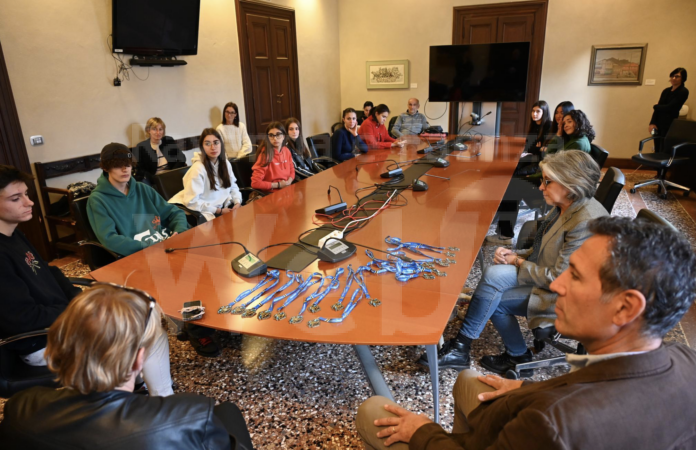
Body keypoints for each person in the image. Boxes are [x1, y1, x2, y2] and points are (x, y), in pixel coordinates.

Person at [357, 216, 696, 450]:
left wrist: (424, 432)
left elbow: (563, 415)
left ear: (625, 308)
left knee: (373, 410)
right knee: (468, 380)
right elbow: (597, 383)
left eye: (575, 276)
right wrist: (528, 388)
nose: (558, 285)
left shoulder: (551, 425)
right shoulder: (686, 359)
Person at [0, 284, 254, 449]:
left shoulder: (20, 408)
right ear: (137, 360)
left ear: (59, 347)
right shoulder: (194, 416)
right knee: (228, 412)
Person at [422, 151, 608, 374]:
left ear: (570, 184)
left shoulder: (585, 222)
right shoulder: (567, 204)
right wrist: (513, 254)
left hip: (571, 297)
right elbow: (542, 247)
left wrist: (517, 261)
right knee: (493, 281)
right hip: (554, 278)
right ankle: (470, 349)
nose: (541, 187)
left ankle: (491, 352)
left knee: (494, 296)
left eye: (547, 181)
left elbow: (558, 278)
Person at [0, 165, 174, 395]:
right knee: (148, 329)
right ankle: (163, 400)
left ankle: (135, 384)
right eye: (16, 198)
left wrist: (78, 300)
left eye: (25, 194)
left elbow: (51, 272)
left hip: (63, 321)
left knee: (144, 306)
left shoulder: (14, 234)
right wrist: (79, 311)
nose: (29, 202)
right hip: (43, 340)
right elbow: (23, 319)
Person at [87, 143, 189, 257]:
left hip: (168, 245)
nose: (125, 169)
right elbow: (109, 239)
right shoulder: (98, 200)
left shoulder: (142, 188)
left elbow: (174, 212)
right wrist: (150, 247)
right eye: (117, 165)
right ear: (105, 168)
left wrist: (179, 232)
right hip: (140, 255)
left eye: (128, 164)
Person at [169, 128, 242, 222]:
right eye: (207, 144)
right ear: (202, 147)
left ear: (221, 144)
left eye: (216, 142)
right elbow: (192, 201)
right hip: (196, 211)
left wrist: (237, 202)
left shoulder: (225, 163)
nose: (213, 147)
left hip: (219, 208)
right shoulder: (197, 169)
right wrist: (219, 211)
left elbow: (233, 186)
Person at [134, 117, 186, 184]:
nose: (158, 132)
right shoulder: (141, 146)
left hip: (171, 175)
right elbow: (141, 169)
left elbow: (182, 157)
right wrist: (154, 179)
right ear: (148, 130)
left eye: (160, 129)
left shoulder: (168, 141)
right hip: (155, 179)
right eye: (154, 129)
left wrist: (172, 172)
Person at [650, 67, 689, 152]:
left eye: (677, 76)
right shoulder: (666, 91)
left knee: (665, 148)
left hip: (669, 123)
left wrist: (655, 106)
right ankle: (656, 160)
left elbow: (670, 108)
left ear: (683, 78)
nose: (673, 78)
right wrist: (652, 123)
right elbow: (658, 109)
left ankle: (663, 161)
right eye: (672, 76)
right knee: (657, 147)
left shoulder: (683, 91)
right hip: (658, 122)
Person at [251, 121, 295, 193]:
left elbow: (292, 170)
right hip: (271, 193)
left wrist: (289, 181)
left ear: (284, 136)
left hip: (287, 190)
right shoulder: (265, 155)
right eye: (271, 135)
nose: (275, 138)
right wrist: (278, 185)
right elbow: (255, 183)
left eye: (278, 134)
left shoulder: (286, 151)